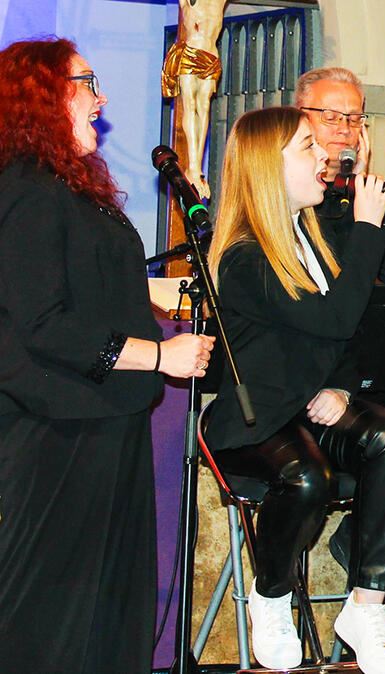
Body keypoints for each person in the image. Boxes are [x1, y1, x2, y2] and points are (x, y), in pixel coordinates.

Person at [0, 37, 214, 673]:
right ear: (42, 96)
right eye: (87, 83)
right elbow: (44, 326)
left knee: (106, 613)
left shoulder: (67, 188)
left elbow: (91, 295)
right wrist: (158, 355)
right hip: (54, 435)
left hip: (100, 424)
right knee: (51, 619)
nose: (103, 97)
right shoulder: (27, 190)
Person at [204, 106, 385, 673]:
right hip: (255, 418)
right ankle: (270, 597)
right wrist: (368, 225)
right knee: (305, 476)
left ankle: (367, 606)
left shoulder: (313, 238)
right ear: (268, 168)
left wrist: (343, 387)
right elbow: (332, 320)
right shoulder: (246, 256)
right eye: (306, 146)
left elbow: (350, 333)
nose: (324, 154)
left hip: (309, 406)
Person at [294, 66, 385, 568]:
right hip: (304, 370)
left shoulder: (358, 195)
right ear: (300, 119)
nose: (344, 128)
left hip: (357, 364)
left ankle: (359, 529)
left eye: (354, 118)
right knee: (382, 432)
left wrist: (371, 204)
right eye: (331, 116)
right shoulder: (292, 194)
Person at [160, 0, 228, 199]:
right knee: (190, 105)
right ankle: (193, 167)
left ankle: (196, 166)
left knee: (204, 106)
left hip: (210, 55)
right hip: (190, 52)